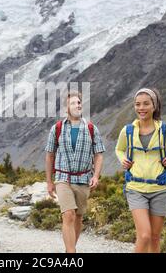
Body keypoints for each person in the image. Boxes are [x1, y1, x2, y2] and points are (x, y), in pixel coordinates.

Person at [115, 88, 166, 253]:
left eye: (146, 103)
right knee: (144, 236)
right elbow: (119, 149)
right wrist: (123, 159)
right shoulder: (128, 131)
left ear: (154, 105)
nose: (141, 108)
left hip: (160, 190)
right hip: (135, 189)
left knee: (154, 238)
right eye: (137, 104)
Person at [45, 91, 106, 253]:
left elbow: (99, 154)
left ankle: (69, 249)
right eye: (73, 103)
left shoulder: (92, 128)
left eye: (79, 102)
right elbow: (50, 155)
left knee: (78, 217)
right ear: (66, 109)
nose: (77, 105)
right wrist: (49, 182)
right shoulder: (56, 129)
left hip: (83, 179)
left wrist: (95, 176)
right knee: (69, 215)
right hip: (63, 178)